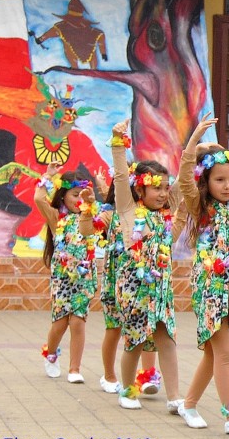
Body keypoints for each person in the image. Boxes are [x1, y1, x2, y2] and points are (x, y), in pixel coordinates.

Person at [84, 120, 183, 413]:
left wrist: (197, 145)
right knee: (135, 341)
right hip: (132, 290)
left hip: (162, 291)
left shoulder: (167, 216)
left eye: (167, 188)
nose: (164, 193)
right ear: (139, 190)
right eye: (157, 188)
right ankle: (127, 389)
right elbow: (119, 176)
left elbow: (187, 180)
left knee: (167, 339)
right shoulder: (127, 213)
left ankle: (175, 397)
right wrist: (118, 141)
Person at [174, 116, 229, 435]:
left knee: (212, 355)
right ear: (205, 182)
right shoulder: (200, 207)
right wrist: (195, 140)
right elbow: (185, 178)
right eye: (219, 180)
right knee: (224, 352)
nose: (226, 186)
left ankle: (189, 404)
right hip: (211, 289)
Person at [97, 173, 161, 394]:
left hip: (141, 280)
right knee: (114, 329)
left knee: (146, 329)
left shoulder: (144, 215)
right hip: (116, 280)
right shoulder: (110, 215)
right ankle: (109, 375)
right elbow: (90, 227)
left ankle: (147, 375)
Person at [34, 164, 97, 383]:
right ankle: (51, 354)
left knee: (78, 321)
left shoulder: (89, 217)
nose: (79, 199)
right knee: (60, 323)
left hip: (85, 278)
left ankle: (74, 369)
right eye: (74, 195)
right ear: (63, 197)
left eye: (83, 195)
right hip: (62, 280)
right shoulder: (56, 218)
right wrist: (48, 176)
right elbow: (39, 199)